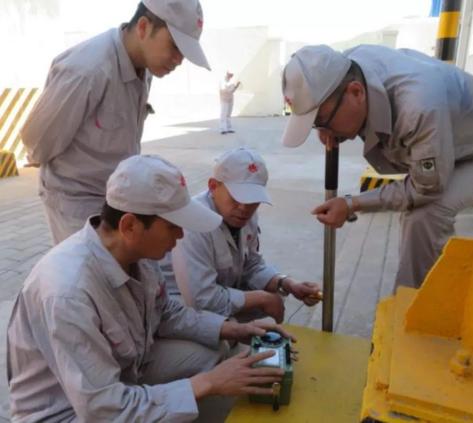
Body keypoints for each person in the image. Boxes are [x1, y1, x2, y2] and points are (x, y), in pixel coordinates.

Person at [7, 155, 292, 422]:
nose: (181, 236)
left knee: (209, 355)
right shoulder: (68, 292)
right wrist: (208, 383)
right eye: (172, 227)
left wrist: (233, 328)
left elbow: (165, 312)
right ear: (130, 225)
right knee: (207, 379)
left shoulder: (138, 256)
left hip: (123, 372)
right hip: (69, 412)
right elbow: (103, 410)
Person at [281, 44, 473, 289]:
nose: (323, 132)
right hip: (447, 138)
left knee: (424, 216)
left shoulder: (418, 109)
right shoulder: (347, 66)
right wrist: (330, 126)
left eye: (323, 120)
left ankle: (412, 309)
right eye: (315, 124)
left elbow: (424, 189)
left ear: (356, 92)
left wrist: (352, 203)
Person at [22, 0, 211, 245]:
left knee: (121, 274)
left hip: (115, 198)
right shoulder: (87, 70)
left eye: (184, 53)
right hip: (75, 201)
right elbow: (37, 142)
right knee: (87, 275)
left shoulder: (145, 68)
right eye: (175, 46)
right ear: (143, 27)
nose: (178, 60)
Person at [163, 147, 321, 322]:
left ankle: (232, 334)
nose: (245, 208)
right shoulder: (194, 224)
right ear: (213, 186)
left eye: (253, 200)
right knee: (222, 337)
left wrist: (287, 283)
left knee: (274, 293)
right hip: (178, 305)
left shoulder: (247, 215)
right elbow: (200, 299)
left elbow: (251, 264)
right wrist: (260, 298)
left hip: (218, 289)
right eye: (237, 198)